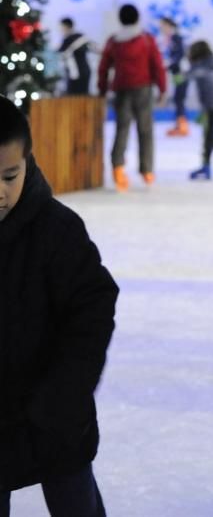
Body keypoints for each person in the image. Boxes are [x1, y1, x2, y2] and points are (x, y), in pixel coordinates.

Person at [0, 96, 118, 516]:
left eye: (10, 176)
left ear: (27, 162)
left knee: (75, 501)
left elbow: (93, 309)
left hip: (55, 416)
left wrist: (66, 395)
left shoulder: (57, 229)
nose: (0, 192)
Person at [97, 3, 167, 191]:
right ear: (138, 18)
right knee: (145, 130)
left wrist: (102, 89)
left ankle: (118, 167)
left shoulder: (114, 40)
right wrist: (162, 88)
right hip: (143, 89)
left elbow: (104, 67)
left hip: (121, 90)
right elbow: (157, 65)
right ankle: (147, 170)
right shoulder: (146, 39)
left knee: (122, 129)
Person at [186, 40, 213, 180]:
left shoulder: (200, 67)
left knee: (210, 136)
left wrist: (176, 74)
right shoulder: (210, 65)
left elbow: (184, 77)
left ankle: (206, 166)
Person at [160, 17, 189, 137]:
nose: (161, 28)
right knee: (178, 98)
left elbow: (180, 54)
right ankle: (179, 125)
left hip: (181, 73)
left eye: (163, 26)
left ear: (169, 26)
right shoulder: (173, 37)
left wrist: (169, 65)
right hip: (177, 74)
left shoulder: (176, 37)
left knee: (179, 98)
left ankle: (182, 126)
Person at [57, 17, 96, 96]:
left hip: (78, 74)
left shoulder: (74, 39)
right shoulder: (78, 37)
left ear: (66, 27)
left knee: (77, 98)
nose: (60, 30)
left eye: (61, 27)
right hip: (79, 73)